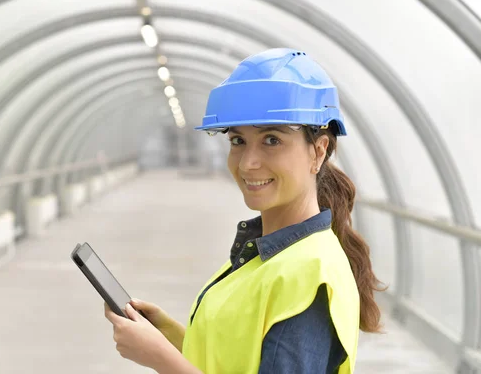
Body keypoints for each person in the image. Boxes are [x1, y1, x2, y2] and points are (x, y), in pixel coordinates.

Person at [104, 48, 385, 373]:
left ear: (318, 152)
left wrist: (160, 359)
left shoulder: (307, 277)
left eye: (271, 140)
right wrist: (168, 337)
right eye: (238, 141)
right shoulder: (269, 253)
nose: (248, 163)